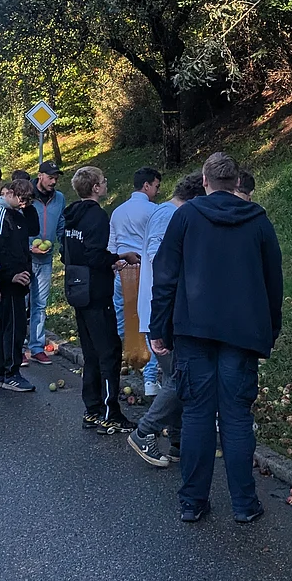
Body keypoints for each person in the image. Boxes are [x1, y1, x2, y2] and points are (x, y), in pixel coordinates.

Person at [149, 150, 283, 525]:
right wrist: (271, 328)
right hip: (242, 334)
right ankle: (244, 503)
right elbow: (274, 279)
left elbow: (166, 275)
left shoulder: (186, 217)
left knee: (196, 415)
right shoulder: (258, 220)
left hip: (194, 331)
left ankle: (192, 501)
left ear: (205, 182)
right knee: (237, 418)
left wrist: (159, 328)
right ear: (236, 182)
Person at [127, 171, 205, 469]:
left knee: (178, 377)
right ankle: (144, 431)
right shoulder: (167, 216)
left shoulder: (170, 213)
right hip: (163, 312)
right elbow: (162, 263)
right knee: (180, 377)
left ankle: (177, 442)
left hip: (165, 311)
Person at [61, 166, 132, 432]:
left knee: (90, 352)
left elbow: (66, 253)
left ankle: (92, 409)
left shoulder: (71, 216)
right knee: (108, 352)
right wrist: (118, 259)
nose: (105, 184)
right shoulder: (98, 217)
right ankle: (108, 412)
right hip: (96, 291)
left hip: (76, 288)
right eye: (103, 181)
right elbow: (95, 255)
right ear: (95, 188)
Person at [108, 166, 162, 397]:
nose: (157, 191)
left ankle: (126, 359)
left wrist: (112, 265)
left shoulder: (118, 211)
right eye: (156, 186)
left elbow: (111, 243)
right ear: (147, 185)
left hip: (121, 269)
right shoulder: (154, 211)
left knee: (122, 317)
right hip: (144, 271)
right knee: (147, 323)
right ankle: (150, 377)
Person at [0, 179, 35, 392]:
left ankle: (4, 371)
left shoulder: (19, 213)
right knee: (11, 327)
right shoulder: (1, 215)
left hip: (21, 277)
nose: (24, 203)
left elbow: (30, 233)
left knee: (14, 325)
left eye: (28, 200)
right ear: (9, 193)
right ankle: (10, 371)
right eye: (21, 199)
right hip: (8, 281)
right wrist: (10, 275)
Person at [26, 163, 65, 365]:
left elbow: (60, 225)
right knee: (21, 304)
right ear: (40, 176)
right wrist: (28, 246)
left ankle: (37, 347)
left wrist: (64, 245)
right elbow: (16, 224)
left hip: (46, 259)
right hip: (25, 258)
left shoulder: (59, 198)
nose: (54, 181)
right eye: (50, 177)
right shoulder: (27, 195)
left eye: (56, 177)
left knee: (40, 304)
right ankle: (18, 349)